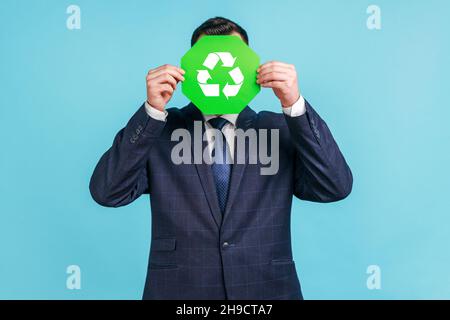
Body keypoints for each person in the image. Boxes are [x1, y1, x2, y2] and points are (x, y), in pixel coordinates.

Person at [89, 17, 353, 300]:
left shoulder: (278, 129)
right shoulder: (161, 131)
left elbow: (334, 186)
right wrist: (152, 111)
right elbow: (107, 192)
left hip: (267, 291)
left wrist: (294, 105)